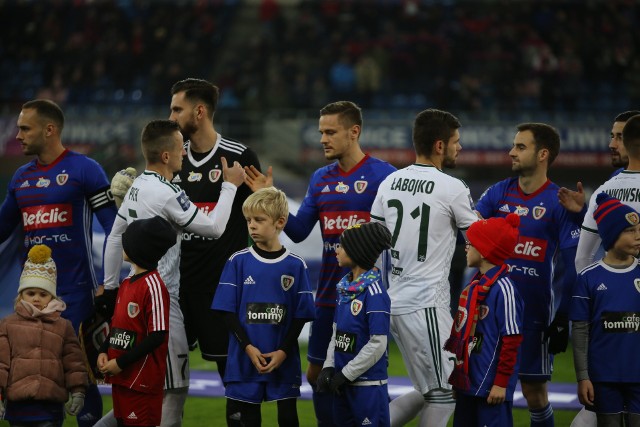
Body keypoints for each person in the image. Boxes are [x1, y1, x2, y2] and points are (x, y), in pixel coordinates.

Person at [244, 100, 396, 426]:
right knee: (317, 374)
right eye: (321, 132)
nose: (323, 139)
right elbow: (297, 232)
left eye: (331, 132)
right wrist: (273, 197)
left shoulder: (385, 176)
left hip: (366, 296)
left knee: (360, 375)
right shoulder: (320, 179)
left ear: (354, 132)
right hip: (328, 295)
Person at [100, 119, 245, 427]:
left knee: (134, 389)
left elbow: (115, 237)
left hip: (131, 296)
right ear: (166, 156)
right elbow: (216, 228)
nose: (185, 152)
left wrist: (111, 289)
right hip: (162, 300)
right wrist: (230, 184)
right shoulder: (167, 193)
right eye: (181, 147)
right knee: (174, 390)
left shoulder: (137, 185)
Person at [0, 99, 116, 426]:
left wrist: (108, 284)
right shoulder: (20, 179)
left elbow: (114, 229)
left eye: (25, 128)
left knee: (79, 374)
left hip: (75, 294)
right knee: (38, 374)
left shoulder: (85, 170)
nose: (18, 134)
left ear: (49, 130)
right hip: (32, 297)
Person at [369, 108, 478, 427]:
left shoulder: (389, 182)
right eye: (456, 141)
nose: (460, 148)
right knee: (446, 391)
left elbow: (373, 246)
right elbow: (480, 239)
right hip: (427, 303)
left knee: (428, 389)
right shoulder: (452, 187)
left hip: (395, 301)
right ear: (440, 145)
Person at [475, 123, 583, 427]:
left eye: (521, 146)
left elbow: (576, 262)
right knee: (486, 389)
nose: (512, 151)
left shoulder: (559, 201)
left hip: (534, 316)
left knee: (534, 393)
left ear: (542, 154)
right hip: (491, 313)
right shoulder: (498, 192)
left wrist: (562, 317)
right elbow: (470, 233)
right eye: (514, 145)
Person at [169, 78, 261, 376]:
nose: (171, 118)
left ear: (199, 112)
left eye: (176, 110)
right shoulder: (172, 158)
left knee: (234, 381)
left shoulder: (239, 156)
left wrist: (265, 195)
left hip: (223, 289)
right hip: (177, 287)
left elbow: (260, 217)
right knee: (166, 381)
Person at [559, 112, 640, 427]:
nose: (611, 143)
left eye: (618, 136)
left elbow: (583, 262)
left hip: (612, 322)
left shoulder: (607, 192)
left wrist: (606, 293)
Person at [211, 187, 315, 426]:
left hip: (283, 359)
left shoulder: (295, 265)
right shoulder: (237, 261)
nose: (252, 226)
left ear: (280, 222)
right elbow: (226, 311)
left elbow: (301, 315)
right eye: (248, 220)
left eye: (259, 220)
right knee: (249, 418)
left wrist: (283, 351)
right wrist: (248, 347)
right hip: (245, 358)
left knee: (288, 417)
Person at [445, 213, 524, 427]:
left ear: (486, 249)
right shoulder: (474, 287)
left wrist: (501, 384)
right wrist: (458, 378)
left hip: (491, 389)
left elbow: (512, 340)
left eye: (470, 243)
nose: (466, 247)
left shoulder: (504, 289)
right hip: (468, 384)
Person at [570, 193, 640, 427]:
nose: (638, 236)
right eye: (630, 231)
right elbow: (580, 332)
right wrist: (583, 377)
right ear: (611, 234)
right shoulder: (589, 278)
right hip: (604, 377)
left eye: (639, 229)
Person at [98, 216, 174, 427]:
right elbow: (117, 326)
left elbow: (158, 335)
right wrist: (104, 350)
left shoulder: (154, 285)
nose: (124, 243)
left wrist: (120, 363)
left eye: (128, 240)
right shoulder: (126, 283)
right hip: (121, 379)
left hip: (142, 383)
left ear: (139, 248)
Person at [0, 244, 87, 425]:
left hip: (50, 409)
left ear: (52, 297)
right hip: (18, 409)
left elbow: (74, 362)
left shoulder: (63, 326)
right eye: (30, 293)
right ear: (21, 295)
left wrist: (78, 390)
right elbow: (1, 363)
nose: (36, 298)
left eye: (43, 294)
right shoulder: (8, 324)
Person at [316, 222, 393, 426]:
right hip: (343, 384)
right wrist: (329, 366)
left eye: (342, 245)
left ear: (357, 251)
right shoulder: (344, 288)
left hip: (367, 386)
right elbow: (336, 333)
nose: (337, 249)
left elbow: (378, 343)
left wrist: (346, 374)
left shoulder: (375, 293)